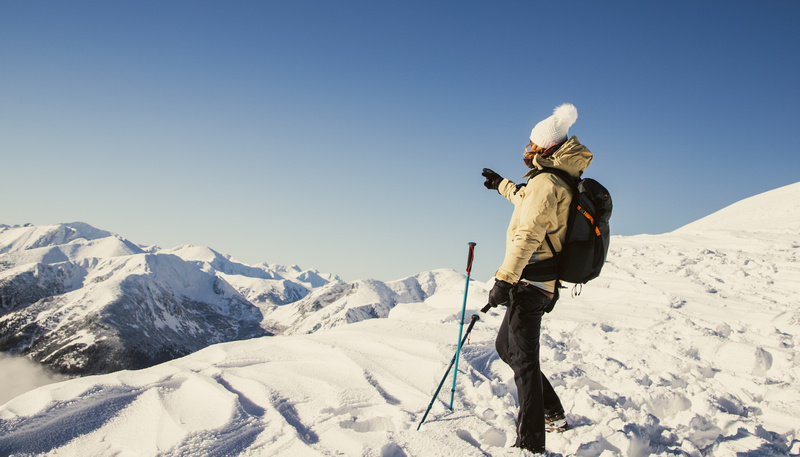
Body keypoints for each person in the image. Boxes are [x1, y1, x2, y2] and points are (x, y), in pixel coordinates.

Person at [481, 103, 593, 456]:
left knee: (525, 364)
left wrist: (504, 280)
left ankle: (531, 445)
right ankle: (552, 412)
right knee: (507, 349)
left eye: (532, 144)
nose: (527, 148)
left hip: (530, 284)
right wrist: (502, 185)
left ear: (546, 147)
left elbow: (528, 233)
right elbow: (527, 199)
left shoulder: (547, 181)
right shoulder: (558, 178)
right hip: (540, 283)